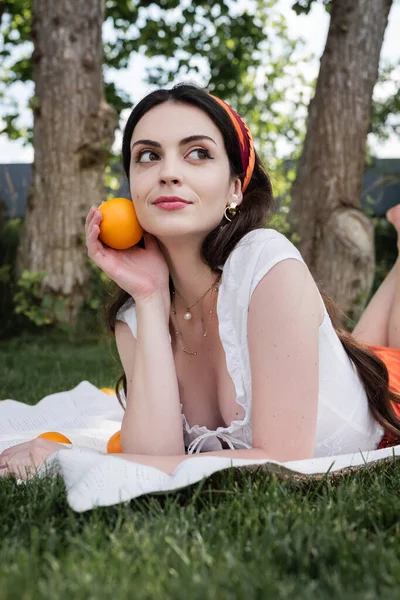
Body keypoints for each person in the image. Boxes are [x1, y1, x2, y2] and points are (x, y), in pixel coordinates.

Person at [1, 82, 400, 480]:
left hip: (389, 398)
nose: (168, 173)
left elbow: (283, 462)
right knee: (369, 345)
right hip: (363, 370)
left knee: (382, 353)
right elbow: (152, 464)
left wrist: (70, 462)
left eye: (198, 153)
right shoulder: (134, 318)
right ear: (131, 188)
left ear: (234, 187)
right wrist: (151, 297)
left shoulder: (266, 262)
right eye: (148, 156)